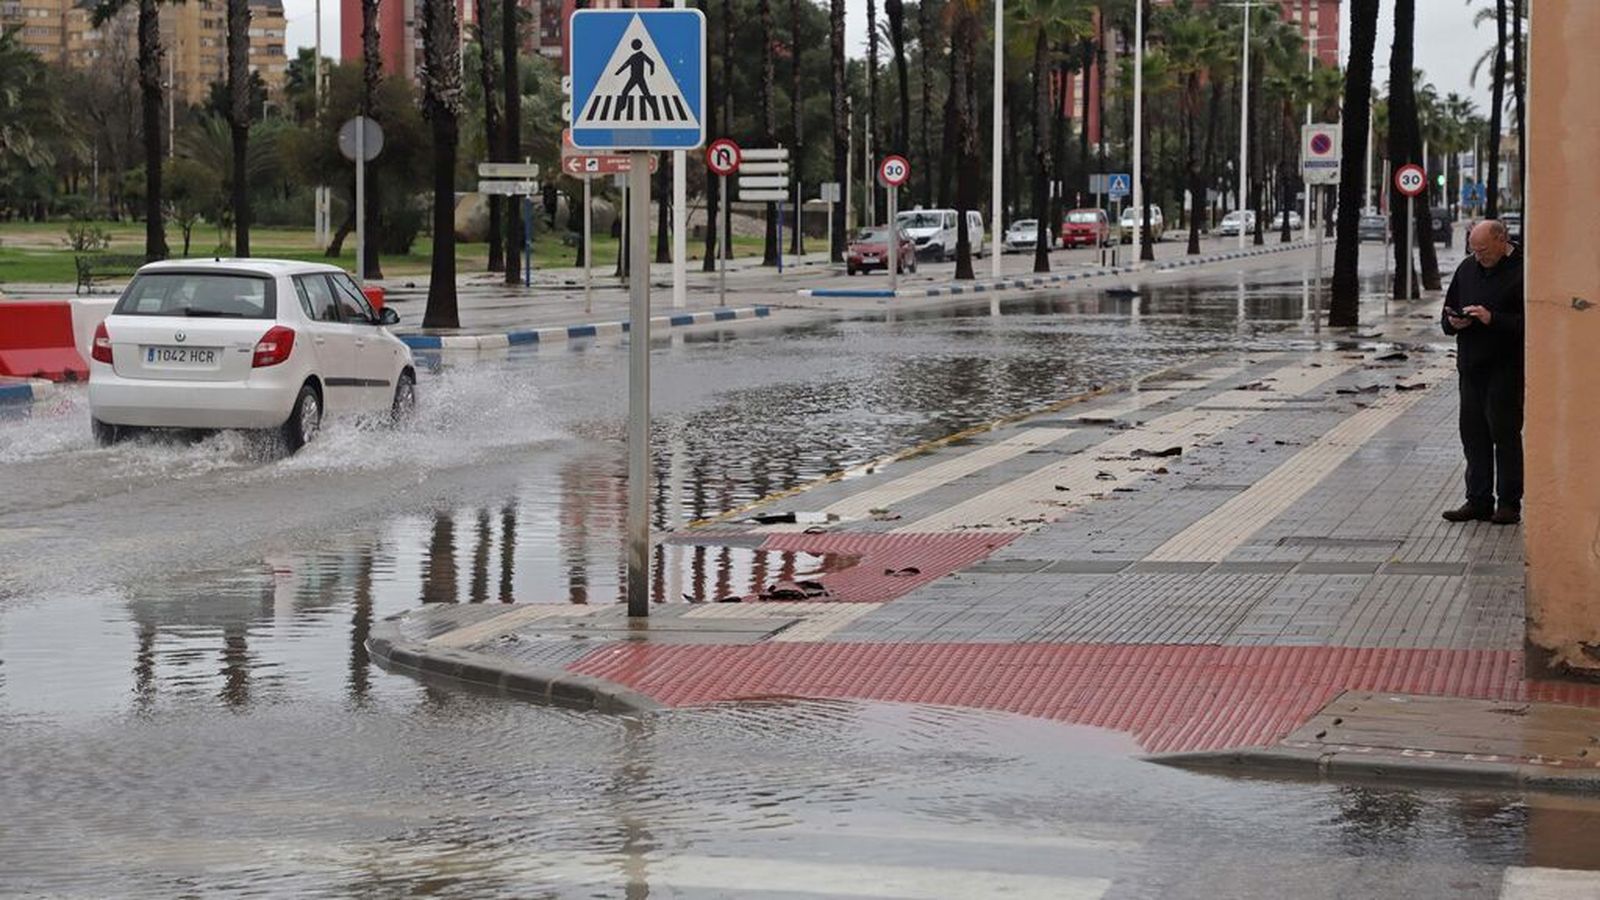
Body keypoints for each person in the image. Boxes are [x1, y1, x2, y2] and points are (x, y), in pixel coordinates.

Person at [1440, 219, 1524, 525]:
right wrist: (1454, 322)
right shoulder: (1466, 269)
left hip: (1506, 367)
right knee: (1473, 435)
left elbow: (1529, 324)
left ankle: (1509, 503)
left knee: (1504, 434)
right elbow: (1447, 314)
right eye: (1474, 250)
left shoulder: (1522, 270)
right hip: (1471, 366)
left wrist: (1492, 319)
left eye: (1484, 250)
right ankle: (1477, 499)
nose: (1479, 257)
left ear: (1502, 241)